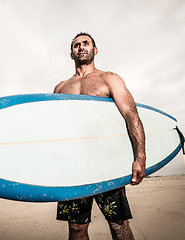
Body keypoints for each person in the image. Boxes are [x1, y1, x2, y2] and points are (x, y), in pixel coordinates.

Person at [54, 32, 146, 240]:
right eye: (76, 45)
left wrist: (140, 156)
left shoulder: (109, 79)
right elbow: (57, 131)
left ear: (95, 50)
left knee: (118, 225)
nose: (81, 47)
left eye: (86, 43)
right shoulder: (60, 88)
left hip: (107, 163)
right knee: (76, 229)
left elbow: (131, 115)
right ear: (71, 54)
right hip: (74, 167)